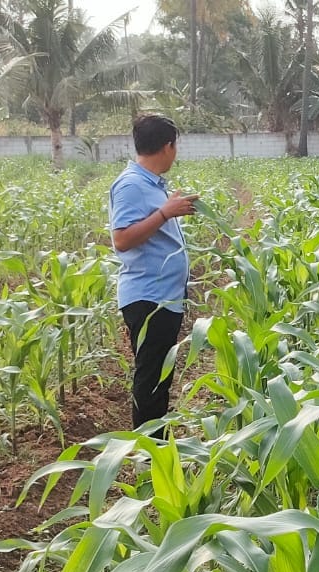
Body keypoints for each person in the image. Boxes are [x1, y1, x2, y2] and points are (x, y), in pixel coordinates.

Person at [108, 114, 197, 436]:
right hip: (149, 297)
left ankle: (155, 447)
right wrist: (164, 213)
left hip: (163, 297)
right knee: (150, 379)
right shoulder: (131, 185)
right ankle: (149, 457)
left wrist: (169, 207)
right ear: (167, 146)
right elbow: (122, 239)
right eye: (176, 145)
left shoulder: (150, 184)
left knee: (159, 377)